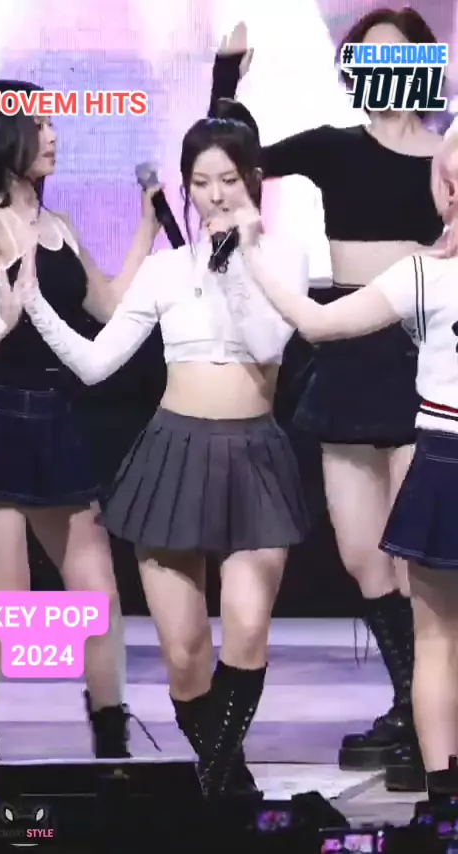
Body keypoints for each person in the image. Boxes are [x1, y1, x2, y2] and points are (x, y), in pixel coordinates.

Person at [17, 115, 310, 798]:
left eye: (228, 180)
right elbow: (96, 364)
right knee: (184, 655)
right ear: (185, 186)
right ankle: (229, 788)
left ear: (254, 181)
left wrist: (238, 261)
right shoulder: (165, 269)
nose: (215, 195)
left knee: (246, 627)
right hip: (174, 454)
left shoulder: (283, 255)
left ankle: (220, 791)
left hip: (255, 457)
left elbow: (267, 343)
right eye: (201, 182)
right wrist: (30, 303)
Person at [209, 10, 444, 788]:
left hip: (422, 352)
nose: (384, 70)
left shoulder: (449, 155)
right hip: (345, 351)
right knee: (361, 553)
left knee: (419, 559)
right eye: (368, 58)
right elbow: (229, 164)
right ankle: (409, 704)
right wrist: (225, 79)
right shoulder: (332, 146)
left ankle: (432, 719)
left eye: (398, 56)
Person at [0, 79, 160, 763]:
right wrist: (2, 323)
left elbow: (111, 308)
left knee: (97, 589)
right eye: (41, 124)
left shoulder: (60, 228)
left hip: (54, 416)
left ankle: (112, 739)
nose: (54, 135)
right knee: (4, 599)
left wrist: (147, 229)